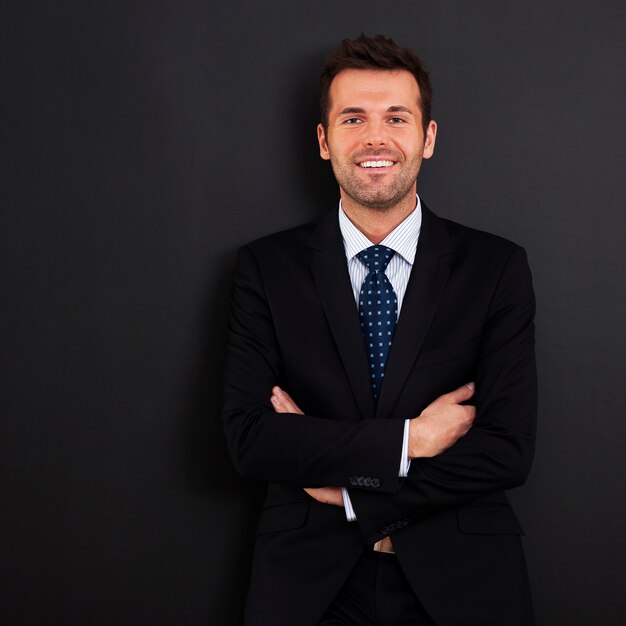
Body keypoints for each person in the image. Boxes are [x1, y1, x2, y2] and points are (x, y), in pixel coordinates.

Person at [223, 33, 536, 626]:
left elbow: (507, 450)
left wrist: (349, 492)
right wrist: (409, 440)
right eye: (352, 118)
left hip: (463, 579)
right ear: (323, 141)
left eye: (397, 117)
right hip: (308, 584)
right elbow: (252, 439)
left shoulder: (496, 268)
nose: (375, 138)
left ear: (428, 137)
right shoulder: (265, 269)